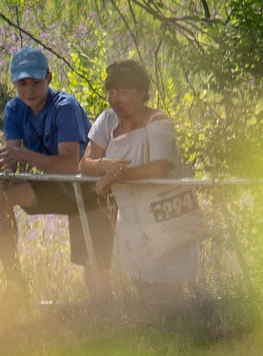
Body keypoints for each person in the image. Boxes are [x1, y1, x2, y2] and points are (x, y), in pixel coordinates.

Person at [0, 47, 113, 300]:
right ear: (14, 83)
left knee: (96, 270)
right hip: (54, 185)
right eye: (22, 83)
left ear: (49, 78)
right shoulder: (14, 109)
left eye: (36, 82)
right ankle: (15, 283)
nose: (29, 90)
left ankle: (106, 315)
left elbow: (70, 165)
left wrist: (23, 155)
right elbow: (11, 162)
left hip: (86, 188)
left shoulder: (65, 106)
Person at [78, 58, 199, 300]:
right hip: (131, 219)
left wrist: (113, 178)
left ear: (142, 92)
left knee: (170, 293)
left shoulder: (159, 123)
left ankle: (181, 332)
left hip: (165, 215)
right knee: (143, 289)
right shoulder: (107, 120)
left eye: (123, 92)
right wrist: (104, 165)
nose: (115, 99)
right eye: (112, 92)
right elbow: (84, 165)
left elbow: (160, 167)